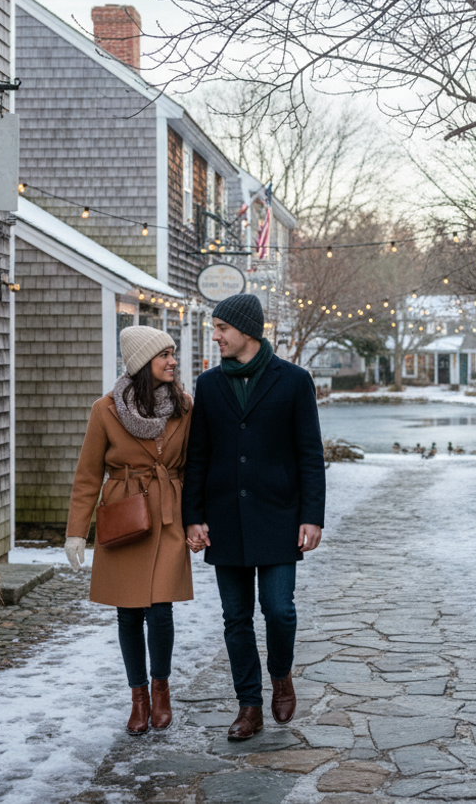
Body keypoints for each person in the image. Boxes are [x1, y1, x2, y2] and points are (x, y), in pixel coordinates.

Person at [182, 293, 326, 741]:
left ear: (246, 329)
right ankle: (249, 705)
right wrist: (193, 516)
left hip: (280, 516)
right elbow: (198, 456)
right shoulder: (208, 385)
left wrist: (312, 516)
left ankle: (281, 675)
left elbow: (309, 454)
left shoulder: (294, 381)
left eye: (222, 327)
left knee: (279, 611)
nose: (216, 335)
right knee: (235, 617)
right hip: (226, 520)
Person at [65, 326, 193, 736]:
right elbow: (88, 475)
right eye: (164, 355)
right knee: (128, 612)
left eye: (173, 353)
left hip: (169, 514)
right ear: (142, 364)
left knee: (161, 609)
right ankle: (137, 697)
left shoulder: (185, 406)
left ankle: (161, 692)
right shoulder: (105, 410)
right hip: (125, 514)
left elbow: (195, 467)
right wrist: (75, 532)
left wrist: (198, 518)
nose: (173, 361)